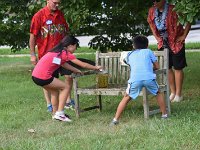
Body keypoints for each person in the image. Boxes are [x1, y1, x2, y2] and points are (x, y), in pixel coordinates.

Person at [32, 35, 102, 122]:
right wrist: (96, 67)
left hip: (35, 76)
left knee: (55, 91)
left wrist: (76, 70)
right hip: (43, 77)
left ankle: (55, 114)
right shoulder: (65, 53)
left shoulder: (57, 52)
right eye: (75, 47)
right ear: (70, 46)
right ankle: (60, 113)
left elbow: (63, 64)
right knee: (66, 87)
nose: (75, 49)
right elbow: (83, 64)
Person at [110, 35, 167, 126]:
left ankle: (115, 120)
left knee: (126, 97)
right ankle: (164, 115)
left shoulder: (130, 54)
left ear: (134, 46)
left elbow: (128, 63)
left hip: (135, 80)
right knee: (158, 92)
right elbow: (157, 67)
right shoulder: (149, 52)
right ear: (147, 45)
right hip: (149, 78)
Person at [29, 0, 75, 112]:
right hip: (47, 55)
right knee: (48, 79)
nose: (57, 5)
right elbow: (32, 37)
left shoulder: (60, 15)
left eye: (59, 3)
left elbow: (65, 33)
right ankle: (49, 104)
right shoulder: (38, 16)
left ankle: (68, 101)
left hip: (62, 53)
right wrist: (32, 55)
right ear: (47, 1)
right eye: (55, 2)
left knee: (69, 76)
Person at [147, 0, 191, 102]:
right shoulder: (152, 11)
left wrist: (184, 35)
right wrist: (157, 38)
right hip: (163, 42)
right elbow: (151, 24)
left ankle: (179, 94)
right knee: (167, 68)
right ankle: (173, 92)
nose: (154, 2)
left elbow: (189, 20)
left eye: (156, 0)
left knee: (178, 67)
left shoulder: (175, 8)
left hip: (176, 42)